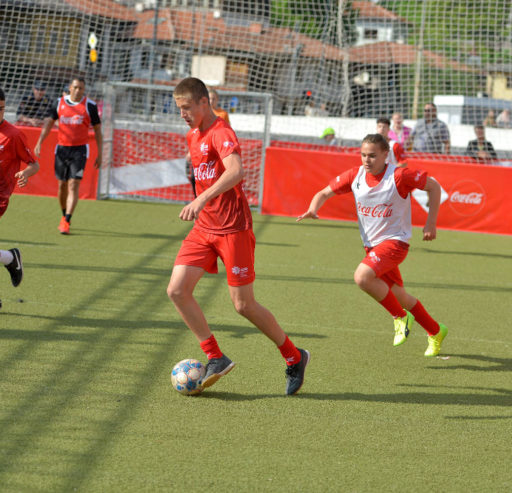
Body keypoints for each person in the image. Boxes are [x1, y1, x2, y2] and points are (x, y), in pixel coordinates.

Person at [167, 77, 309, 395]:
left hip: (233, 229)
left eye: (187, 107)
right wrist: (201, 203)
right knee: (177, 291)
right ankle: (215, 357)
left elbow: (236, 171)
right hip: (204, 229)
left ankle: (294, 356)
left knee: (243, 305)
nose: (183, 114)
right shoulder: (193, 134)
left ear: (205, 103)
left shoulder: (222, 132)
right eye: (179, 109)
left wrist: (201, 199)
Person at [297, 133, 448, 357]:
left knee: (362, 277)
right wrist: (313, 208)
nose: (366, 160)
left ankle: (400, 317)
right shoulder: (355, 175)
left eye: (372, 156)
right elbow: (325, 191)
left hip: (395, 243)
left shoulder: (399, 175)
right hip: (373, 247)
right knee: (401, 296)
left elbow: (434, 187)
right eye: (363, 155)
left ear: (386, 155)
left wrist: (431, 223)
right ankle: (435, 331)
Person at [34, 77, 102, 235]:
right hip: (62, 150)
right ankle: (64, 214)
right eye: (76, 87)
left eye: (81, 89)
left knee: (73, 185)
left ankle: (67, 220)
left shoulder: (90, 106)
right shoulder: (59, 103)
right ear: (70, 88)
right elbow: (49, 123)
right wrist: (39, 142)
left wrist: (100, 153)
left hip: (79, 151)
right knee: (62, 186)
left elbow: (98, 131)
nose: (78, 91)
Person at [0, 87, 40, 301]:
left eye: (2, 109)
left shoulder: (13, 135)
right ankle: (9, 258)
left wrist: (25, 173)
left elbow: (34, 164)